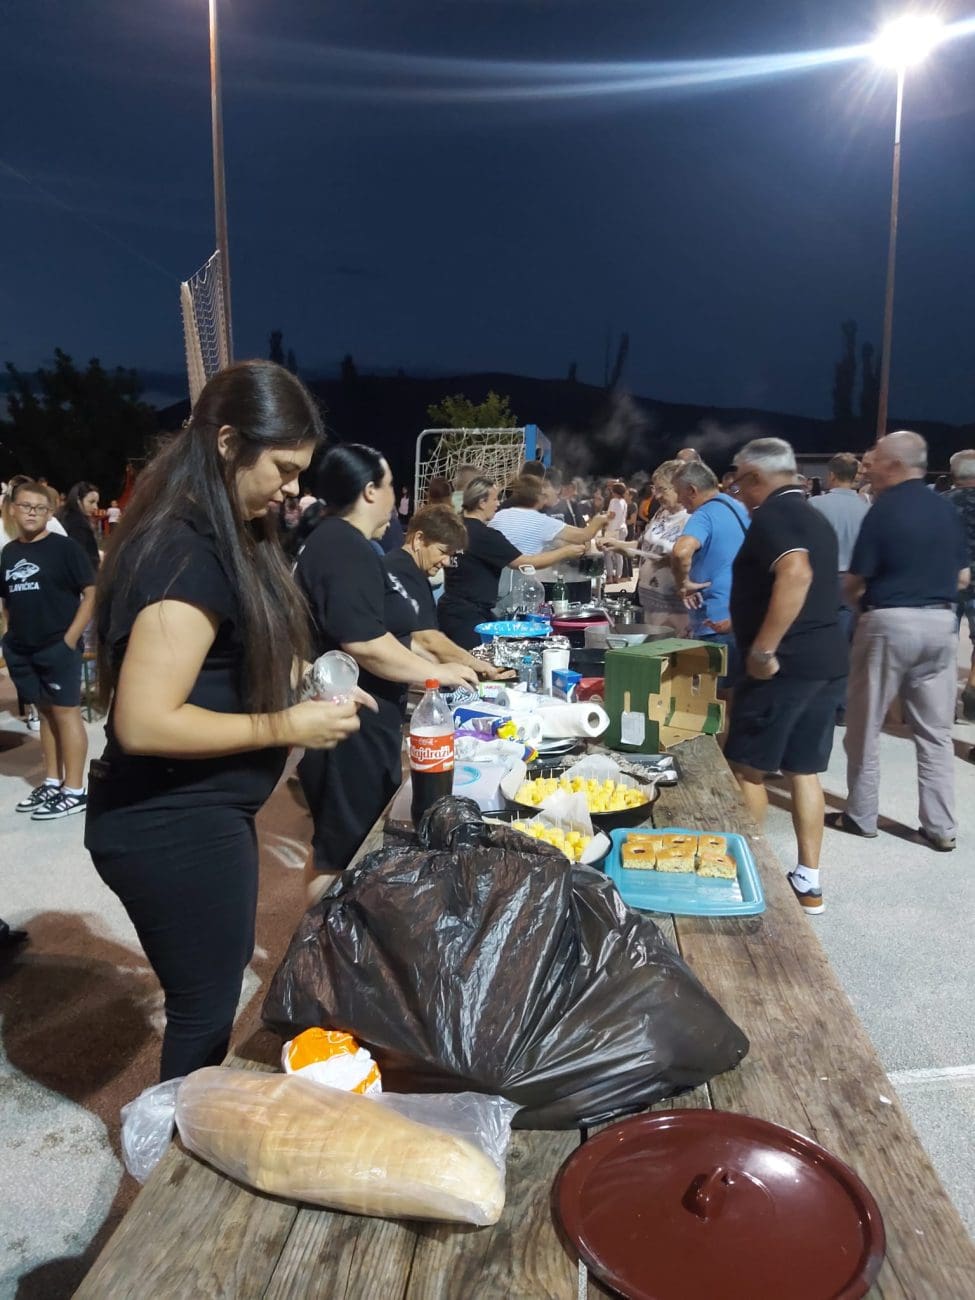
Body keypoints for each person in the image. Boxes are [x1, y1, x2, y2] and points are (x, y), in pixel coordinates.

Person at [86, 361, 368, 1081]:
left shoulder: (230, 530)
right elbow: (144, 722)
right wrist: (287, 727)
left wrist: (310, 681)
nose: (294, 487)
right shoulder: (184, 548)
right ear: (227, 443)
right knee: (205, 1007)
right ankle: (173, 1142)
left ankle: (183, 1127)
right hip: (167, 821)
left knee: (213, 982)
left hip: (201, 811)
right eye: (283, 468)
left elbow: (232, 655)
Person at [296, 445, 478, 879]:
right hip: (347, 729)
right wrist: (437, 673)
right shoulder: (342, 545)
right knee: (342, 859)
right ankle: (324, 926)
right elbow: (366, 644)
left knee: (349, 852)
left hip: (364, 724)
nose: (397, 498)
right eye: (392, 485)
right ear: (370, 491)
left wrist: (439, 666)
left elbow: (390, 637)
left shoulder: (352, 545)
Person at [723, 439, 848, 916]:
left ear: (756, 477)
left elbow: (796, 573)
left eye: (739, 482)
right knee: (803, 769)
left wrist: (763, 649)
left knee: (747, 768)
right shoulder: (814, 515)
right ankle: (809, 881)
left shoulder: (774, 515)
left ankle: (743, 874)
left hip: (785, 665)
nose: (738, 491)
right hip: (825, 659)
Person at [835, 431, 969, 852]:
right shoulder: (945, 508)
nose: (867, 468)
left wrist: (858, 608)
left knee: (864, 725)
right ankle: (940, 827)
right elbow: (962, 576)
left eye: (873, 461)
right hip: (941, 623)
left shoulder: (883, 510)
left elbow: (855, 581)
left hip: (889, 621)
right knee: (935, 732)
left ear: (894, 464)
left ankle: (861, 816)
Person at [1, 479, 96, 818]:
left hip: (58, 646)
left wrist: (69, 640)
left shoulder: (64, 548)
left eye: (40, 508)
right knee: (44, 714)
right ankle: (53, 781)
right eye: (26, 506)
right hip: (23, 648)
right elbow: (7, 600)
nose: (32, 513)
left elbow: (91, 593)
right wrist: (10, 635)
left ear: (50, 512)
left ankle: (75, 789)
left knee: (66, 713)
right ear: (12, 509)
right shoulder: (9, 553)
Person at [437, 476, 586, 649]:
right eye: (494, 499)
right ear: (482, 502)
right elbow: (525, 562)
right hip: (469, 618)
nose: (498, 503)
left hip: (448, 609)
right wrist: (566, 552)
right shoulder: (485, 535)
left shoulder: (456, 527)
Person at [385, 505, 509, 679]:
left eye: (451, 555)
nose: (446, 562)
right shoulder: (405, 571)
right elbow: (426, 639)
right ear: (419, 539)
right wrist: (474, 664)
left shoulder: (405, 568)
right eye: (442, 552)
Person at [671, 461, 749, 680]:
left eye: (678, 492)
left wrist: (683, 585)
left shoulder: (703, 515)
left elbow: (680, 552)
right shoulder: (739, 508)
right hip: (740, 618)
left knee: (714, 695)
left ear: (692, 490)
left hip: (714, 625)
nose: (678, 499)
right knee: (736, 691)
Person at [809, 453, 871, 717]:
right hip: (854, 582)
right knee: (848, 646)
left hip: (823, 580)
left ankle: (818, 702)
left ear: (832, 475)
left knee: (819, 643)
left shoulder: (815, 504)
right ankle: (843, 706)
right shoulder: (866, 507)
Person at [600, 460, 689, 632]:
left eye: (663, 489)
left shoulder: (692, 518)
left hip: (675, 615)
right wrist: (615, 545)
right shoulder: (661, 513)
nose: (657, 495)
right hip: (650, 610)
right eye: (655, 489)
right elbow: (642, 547)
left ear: (680, 486)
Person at [945, 449, 975, 721]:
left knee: (944, 642)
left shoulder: (940, 504)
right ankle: (972, 693)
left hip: (946, 582)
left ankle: (942, 701)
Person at [603, 483, 629, 583]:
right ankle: (618, 576)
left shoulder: (614, 501)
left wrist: (604, 517)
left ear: (614, 491)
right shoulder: (624, 502)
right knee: (619, 554)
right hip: (622, 528)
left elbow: (612, 515)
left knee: (607, 553)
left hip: (612, 529)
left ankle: (610, 576)